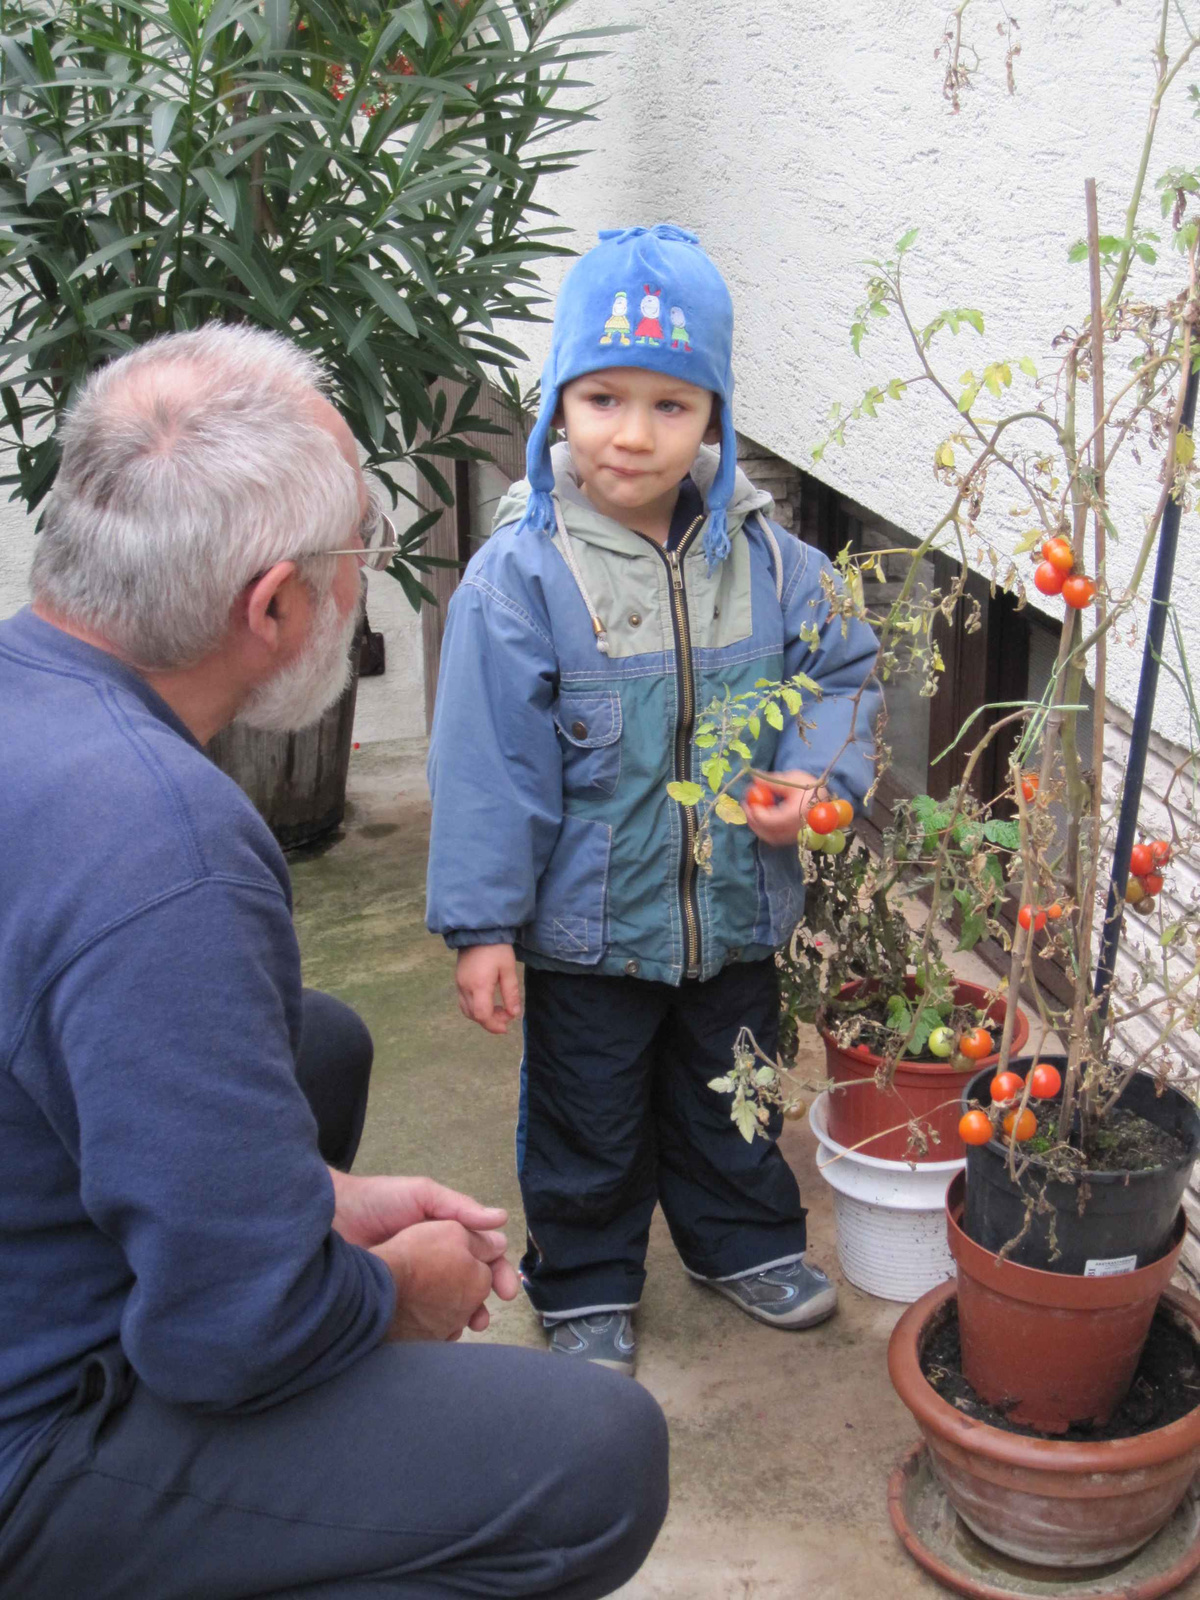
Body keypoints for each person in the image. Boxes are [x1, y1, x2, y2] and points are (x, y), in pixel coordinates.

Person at [0, 325, 668, 1599]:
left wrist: (307, 1197)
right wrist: (382, 1290)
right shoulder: (166, 846)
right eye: (355, 556)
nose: (366, 582)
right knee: (593, 1455)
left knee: (318, 1044)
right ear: (274, 605)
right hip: (25, 1453)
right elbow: (231, 1336)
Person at [427, 224, 880, 1377]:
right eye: (603, 397)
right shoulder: (522, 578)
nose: (633, 433)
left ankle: (742, 1241)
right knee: (589, 1116)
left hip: (735, 911)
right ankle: (581, 1279)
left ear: (716, 415)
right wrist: (483, 925)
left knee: (735, 1093)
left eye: (672, 405)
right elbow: (487, 769)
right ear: (556, 407)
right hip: (588, 933)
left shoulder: (774, 563)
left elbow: (838, 671)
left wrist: (812, 782)